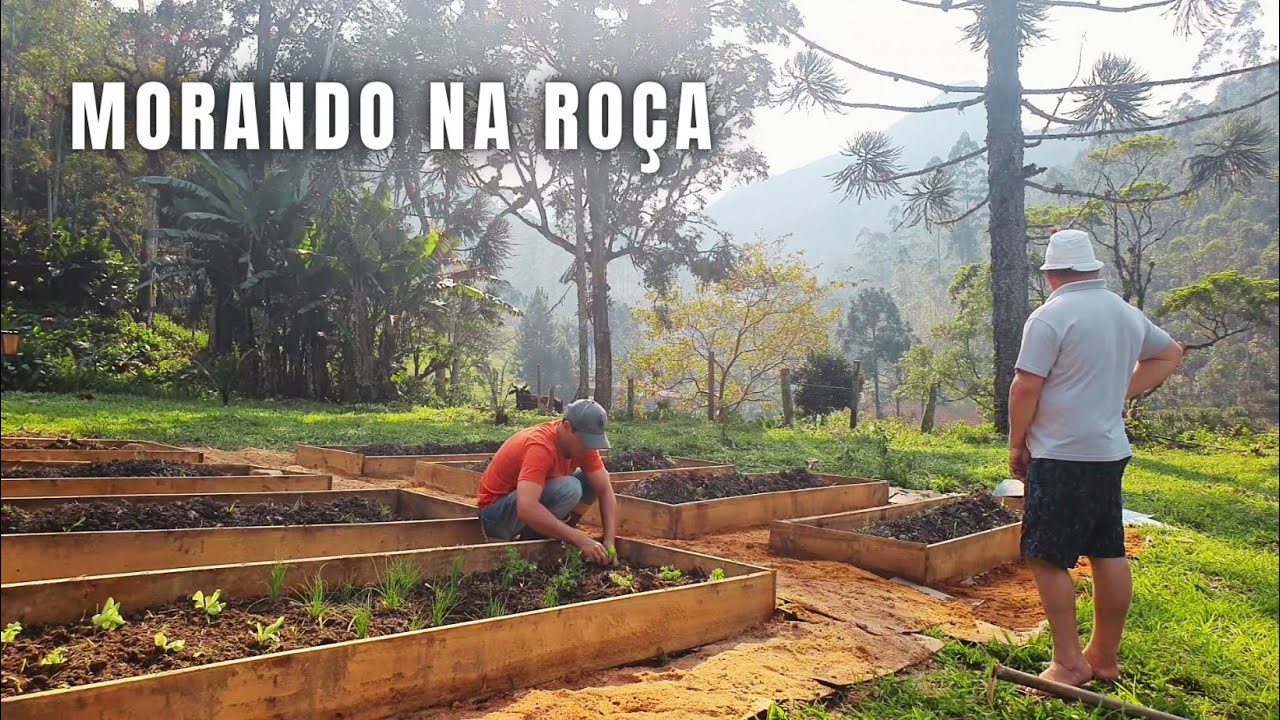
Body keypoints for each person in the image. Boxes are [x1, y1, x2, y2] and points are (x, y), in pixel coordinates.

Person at [1008, 229, 1183, 688]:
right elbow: (1169, 354)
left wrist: (1016, 442)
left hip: (1061, 454)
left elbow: (1026, 386)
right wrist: (1115, 391)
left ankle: (1068, 663)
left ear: (1051, 275)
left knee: (1046, 556)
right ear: (1092, 270)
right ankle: (1103, 656)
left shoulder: (1050, 317)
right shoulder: (1124, 314)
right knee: (1107, 550)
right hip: (1108, 452)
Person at [476, 398, 619, 565]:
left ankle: (549, 533)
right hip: (497, 516)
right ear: (567, 427)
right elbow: (526, 508)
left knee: (590, 481)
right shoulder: (540, 446)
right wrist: (579, 538)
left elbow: (605, 489)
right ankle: (534, 542)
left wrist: (610, 541)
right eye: (586, 441)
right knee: (570, 488)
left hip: (526, 506)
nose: (589, 447)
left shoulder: (583, 446)